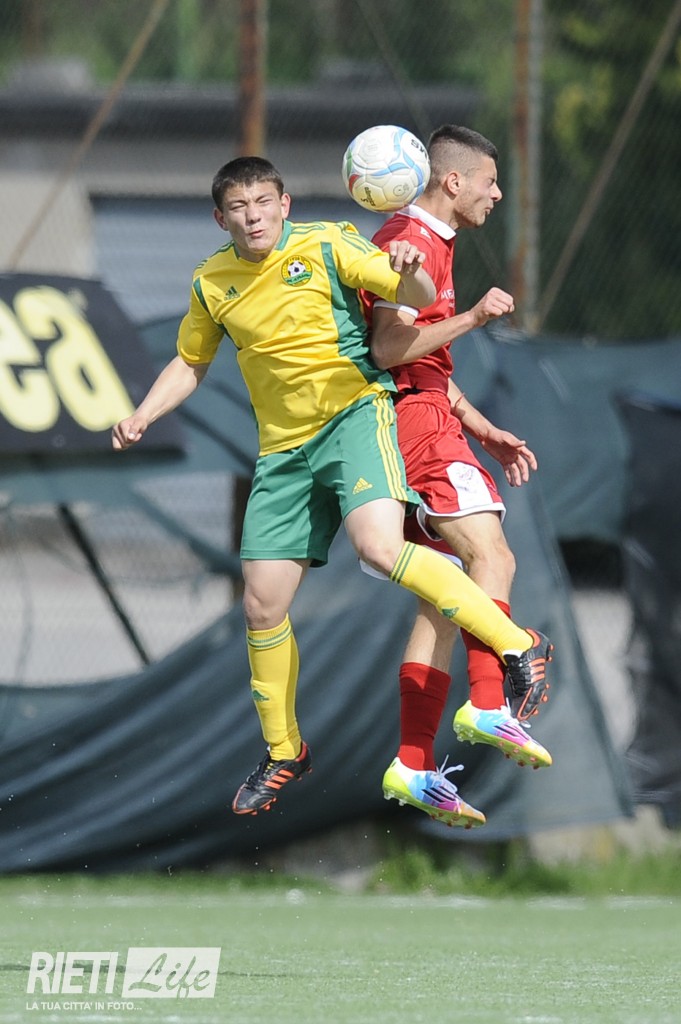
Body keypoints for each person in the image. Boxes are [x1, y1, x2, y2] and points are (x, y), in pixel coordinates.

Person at [112, 155, 552, 828]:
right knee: (261, 604)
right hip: (282, 453)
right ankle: (285, 751)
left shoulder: (327, 242)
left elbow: (408, 294)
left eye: (263, 202)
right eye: (239, 208)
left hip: (353, 420)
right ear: (220, 218)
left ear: (284, 204)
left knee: (380, 548)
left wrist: (407, 265)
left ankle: (514, 645)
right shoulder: (211, 281)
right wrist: (144, 412)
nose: (253, 217)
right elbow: (191, 360)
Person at [361, 125, 554, 821]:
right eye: (490, 182)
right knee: (491, 556)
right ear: (453, 181)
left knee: (444, 599)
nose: (496, 195)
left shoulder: (430, 241)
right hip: (416, 425)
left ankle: (413, 765)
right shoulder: (407, 241)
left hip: (427, 414)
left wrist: (482, 427)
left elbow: (424, 359)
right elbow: (389, 350)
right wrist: (473, 317)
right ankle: (488, 702)